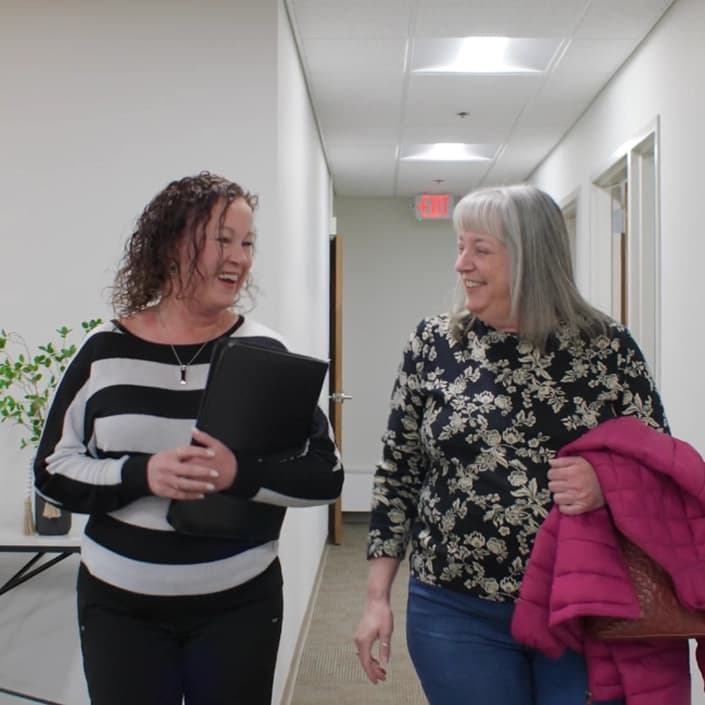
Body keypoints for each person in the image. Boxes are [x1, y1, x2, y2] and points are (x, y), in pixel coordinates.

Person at [34, 171, 343, 705]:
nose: (240, 258)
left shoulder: (264, 351)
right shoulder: (103, 351)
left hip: (239, 606)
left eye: (247, 243)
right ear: (174, 243)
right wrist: (140, 474)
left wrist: (238, 475)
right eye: (222, 240)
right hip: (117, 607)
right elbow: (52, 471)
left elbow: (326, 475)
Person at [353, 184, 667, 705]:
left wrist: (608, 483)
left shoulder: (606, 348)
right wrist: (375, 598)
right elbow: (398, 472)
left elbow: (660, 464)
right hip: (455, 610)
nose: (461, 264)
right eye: (459, 246)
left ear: (530, 259)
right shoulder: (433, 344)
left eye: (480, 249)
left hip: (581, 607)